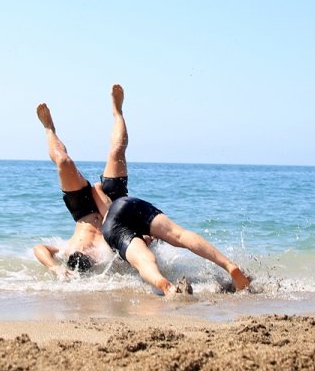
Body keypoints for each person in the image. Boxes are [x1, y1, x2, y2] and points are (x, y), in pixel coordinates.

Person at [33, 84, 132, 278]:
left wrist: (54, 267)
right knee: (117, 151)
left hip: (82, 209)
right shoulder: (108, 257)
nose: (86, 253)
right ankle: (118, 113)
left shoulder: (68, 250)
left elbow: (39, 248)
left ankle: (49, 129)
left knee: (63, 161)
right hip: (111, 208)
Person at [92, 185, 252, 295]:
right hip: (127, 203)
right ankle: (229, 266)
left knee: (143, 260)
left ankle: (164, 285)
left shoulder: (105, 231)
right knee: (180, 235)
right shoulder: (109, 204)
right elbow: (96, 187)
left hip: (114, 229)